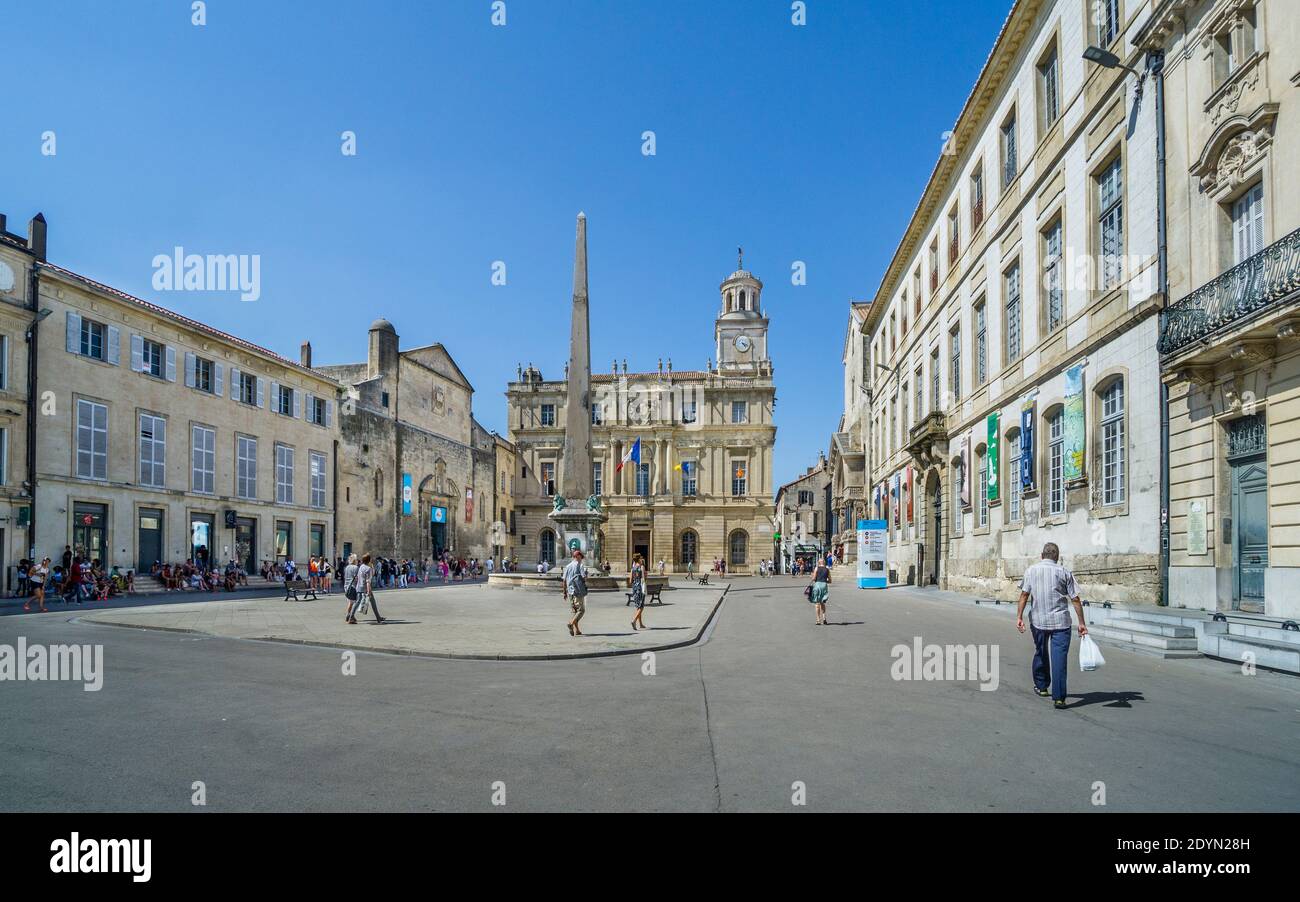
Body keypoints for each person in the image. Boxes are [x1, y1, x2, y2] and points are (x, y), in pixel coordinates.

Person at [1016, 542, 1088, 710]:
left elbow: (1024, 594)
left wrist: (1019, 617)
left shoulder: (1031, 570)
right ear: (1057, 557)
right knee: (1059, 659)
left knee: (1041, 652)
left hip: (1038, 621)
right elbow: (1075, 598)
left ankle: (1042, 687)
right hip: (1061, 622)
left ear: (1042, 555)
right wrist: (1082, 623)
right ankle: (1059, 698)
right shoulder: (1064, 572)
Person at [354, 553, 385, 625]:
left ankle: (350, 616)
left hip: (360, 587)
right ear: (368, 560)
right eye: (370, 559)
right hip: (366, 588)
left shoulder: (361, 566)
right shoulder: (368, 568)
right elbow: (368, 580)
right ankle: (378, 619)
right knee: (373, 603)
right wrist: (368, 591)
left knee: (357, 602)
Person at [563, 548, 588, 637]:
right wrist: (586, 575)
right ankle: (571, 623)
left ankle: (577, 630)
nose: (581, 559)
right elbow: (584, 577)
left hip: (570, 591)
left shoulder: (568, 566)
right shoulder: (580, 566)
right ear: (577, 557)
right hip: (578, 590)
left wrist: (564, 592)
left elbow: (564, 580)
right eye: (581, 557)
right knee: (581, 610)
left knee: (574, 610)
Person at [628, 553, 648, 631]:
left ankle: (641, 624)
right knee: (641, 606)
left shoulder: (633, 568)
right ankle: (633, 621)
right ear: (639, 559)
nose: (641, 559)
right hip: (640, 587)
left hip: (635, 588)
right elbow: (644, 578)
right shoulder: (641, 567)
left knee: (637, 606)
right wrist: (646, 575)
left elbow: (630, 580)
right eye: (640, 558)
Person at [809, 558, 831, 625]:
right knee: (822, 602)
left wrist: (812, 576)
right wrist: (824, 581)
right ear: (824, 562)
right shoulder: (827, 569)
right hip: (824, 585)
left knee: (817, 603)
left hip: (818, 585)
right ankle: (824, 618)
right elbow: (830, 581)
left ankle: (818, 620)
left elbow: (814, 578)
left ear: (819, 563)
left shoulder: (816, 568)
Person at [343, 554, 361, 624]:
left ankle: (350, 615)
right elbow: (357, 578)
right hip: (353, 586)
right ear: (354, 560)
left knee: (350, 602)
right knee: (354, 602)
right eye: (356, 559)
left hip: (346, 586)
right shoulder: (356, 567)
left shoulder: (346, 567)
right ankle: (350, 616)